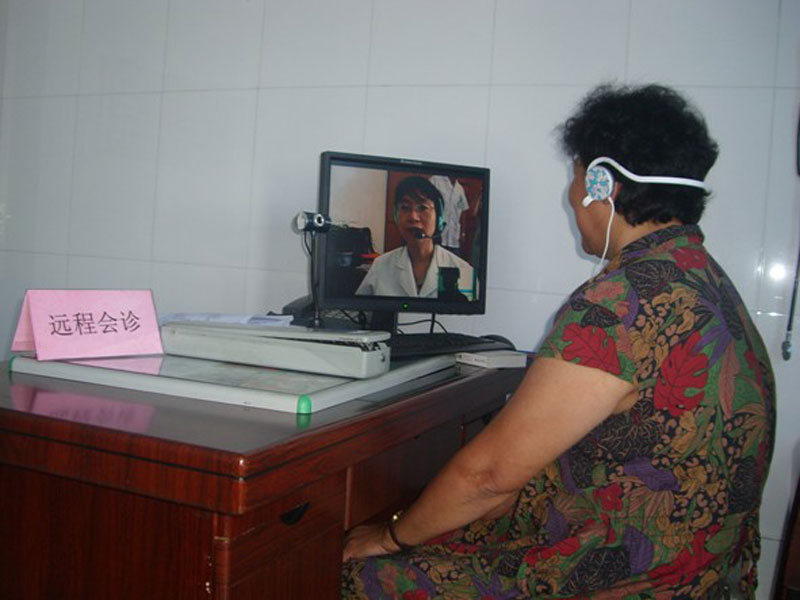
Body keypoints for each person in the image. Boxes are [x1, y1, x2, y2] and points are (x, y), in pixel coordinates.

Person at [342, 83, 776, 599]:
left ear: (600, 183)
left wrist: (390, 536)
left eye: (576, 176)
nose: (571, 196)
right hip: (704, 575)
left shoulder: (621, 302)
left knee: (351, 572)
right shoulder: (707, 279)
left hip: (624, 580)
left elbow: (487, 476)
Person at [355, 176, 475, 299]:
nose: (413, 217)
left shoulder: (462, 270)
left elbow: (472, 312)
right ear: (396, 216)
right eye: (405, 207)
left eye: (423, 207)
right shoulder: (380, 266)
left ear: (439, 218)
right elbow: (360, 309)